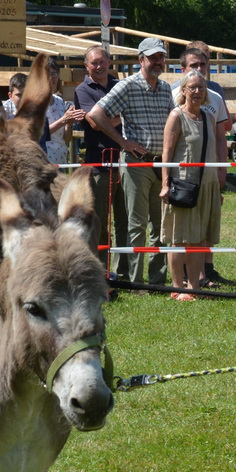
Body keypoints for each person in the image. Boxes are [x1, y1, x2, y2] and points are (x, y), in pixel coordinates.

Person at [88, 37, 174, 286]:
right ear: (141, 60)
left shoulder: (167, 88)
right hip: (136, 163)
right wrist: (123, 142)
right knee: (137, 224)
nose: (158, 62)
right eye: (153, 57)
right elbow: (96, 114)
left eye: (161, 57)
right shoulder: (127, 86)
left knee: (160, 224)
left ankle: (157, 280)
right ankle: (136, 283)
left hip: (161, 164)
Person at [160, 69, 224, 299]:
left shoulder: (209, 116)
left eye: (201, 87)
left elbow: (214, 150)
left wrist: (217, 184)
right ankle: (177, 288)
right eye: (193, 87)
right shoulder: (176, 116)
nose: (197, 92)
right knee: (179, 237)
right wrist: (165, 184)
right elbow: (166, 153)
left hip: (206, 183)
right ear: (184, 90)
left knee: (198, 238)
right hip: (182, 183)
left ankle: (194, 287)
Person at [174, 42, 229, 286]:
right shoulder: (171, 95)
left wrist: (221, 174)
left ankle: (203, 275)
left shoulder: (214, 99)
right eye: (193, 65)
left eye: (202, 65)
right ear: (182, 69)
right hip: (182, 175)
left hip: (208, 174)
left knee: (204, 229)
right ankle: (178, 280)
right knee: (180, 231)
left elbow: (220, 138)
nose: (199, 68)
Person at [73, 46, 129, 278]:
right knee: (101, 223)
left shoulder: (120, 85)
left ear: (109, 62)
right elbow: (94, 123)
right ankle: (101, 272)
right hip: (99, 162)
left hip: (126, 160)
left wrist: (105, 119)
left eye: (102, 61)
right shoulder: (82, 90)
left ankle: (124, 271)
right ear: (86, 66)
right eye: (94, 63)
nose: (99, 66)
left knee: (126, 221)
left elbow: (101, 119)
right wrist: (123, 115)